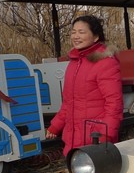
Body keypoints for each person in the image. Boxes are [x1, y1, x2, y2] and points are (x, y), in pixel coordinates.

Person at [46, 15, 123, 157]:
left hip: (95, 137)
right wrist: (55, 125)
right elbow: (69, 102)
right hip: (73, 138)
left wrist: (105, 134)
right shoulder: (74, 63)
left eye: (82, 32)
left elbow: (114, 103)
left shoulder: (105, 62)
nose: (76, 36)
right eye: (73, 32)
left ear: (95, 37)